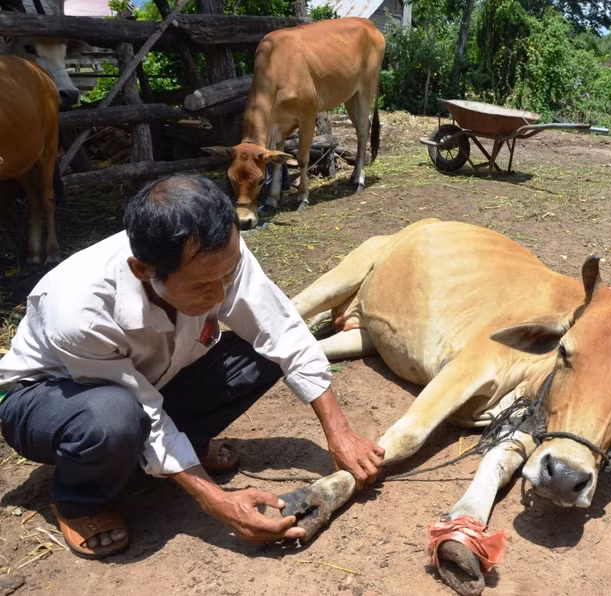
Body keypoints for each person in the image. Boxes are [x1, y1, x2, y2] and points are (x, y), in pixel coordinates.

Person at [0, 174, 384, 559]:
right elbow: (143, 408)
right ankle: (79, 502)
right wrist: (215, 500)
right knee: (114, 416)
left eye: (227, 276)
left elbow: (280, 327)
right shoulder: (79, 310)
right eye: (202, 285)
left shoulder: (218, 248)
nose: (220, 294)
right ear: (141, 270)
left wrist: (340, 432)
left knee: (262, 351)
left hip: (147, 384)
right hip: (48, 400)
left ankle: (185, 448)